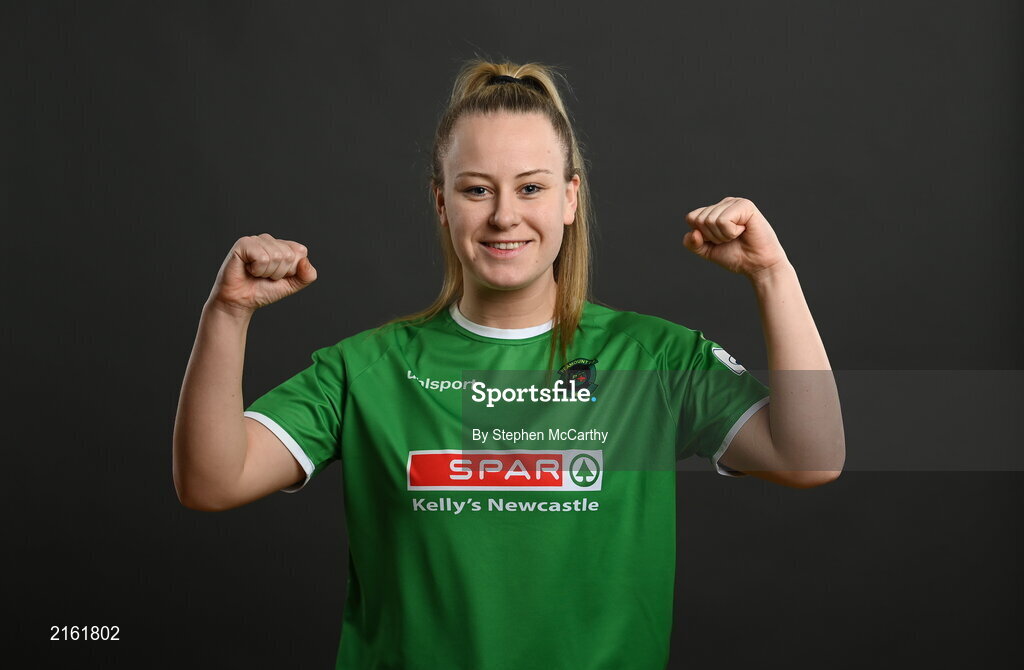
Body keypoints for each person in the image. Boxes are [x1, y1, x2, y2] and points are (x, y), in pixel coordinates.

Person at [173, 59, 845, 670]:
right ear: (441, 202)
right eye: (475, 191)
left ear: (569, 200)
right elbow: (211, 480)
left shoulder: (652, 360)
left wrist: (772, 275)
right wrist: (227, 314)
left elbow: (809, 456)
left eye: (530, 188)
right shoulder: (367, 369)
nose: (503, 217)